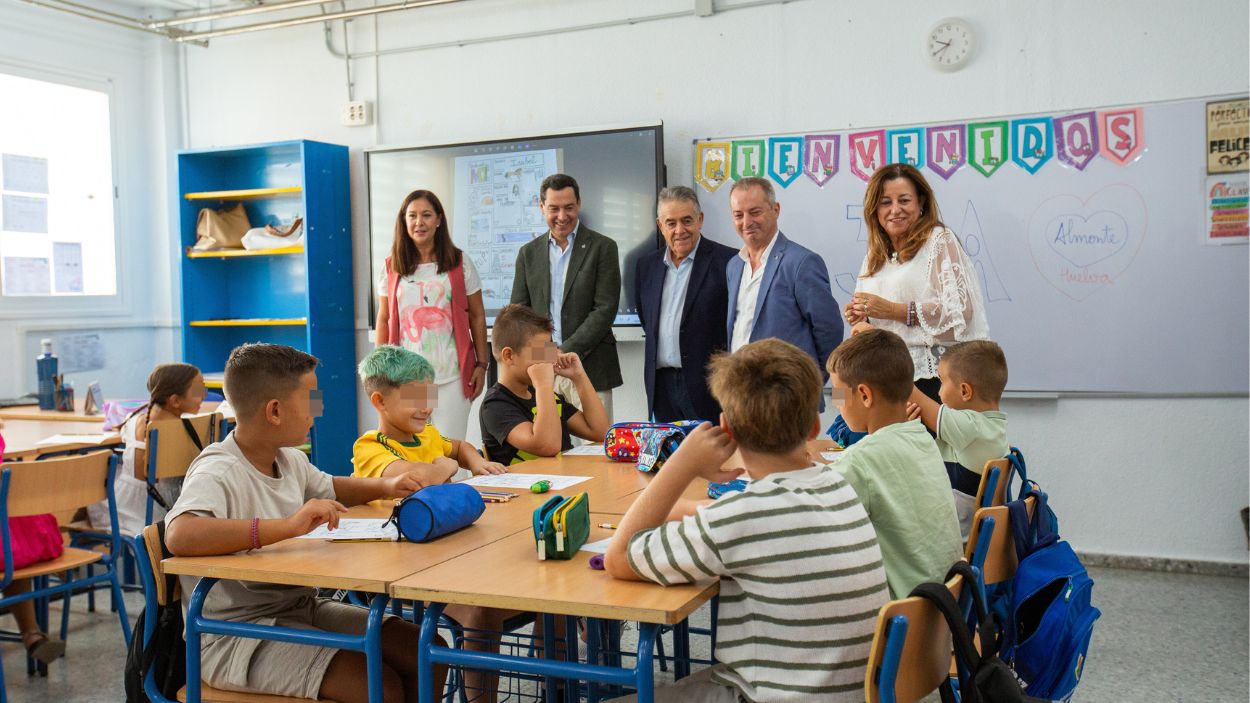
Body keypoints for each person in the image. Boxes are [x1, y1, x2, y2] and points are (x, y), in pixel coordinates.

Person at [604, 338, 889, 702]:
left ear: (727, 427)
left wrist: (681, 464)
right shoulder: (835, 484)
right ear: (814, 428)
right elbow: (752, 521)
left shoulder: (743, 517)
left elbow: (618, 557)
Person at [165, 343, 444, 702]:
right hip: (233, 635)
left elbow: (331, 486)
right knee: (381, 686)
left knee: (426, 650)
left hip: (298, 609)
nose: (320, 408)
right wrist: (287, 526)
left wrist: (387, 485)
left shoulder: (288, 459)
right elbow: (180, 534)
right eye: (311, 398)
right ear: (275, 411)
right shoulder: (219, 469)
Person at [826, 328, 963, 598]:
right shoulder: (922, 438)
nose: (836, 404)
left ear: (864, 395)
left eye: (839, 394)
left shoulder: (861, 461)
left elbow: (803, 516)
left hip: (901, 624)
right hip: (941, 614)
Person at [844, 163, 990, 401]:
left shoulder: (939, 241)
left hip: (935, 380)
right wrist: (862, 315)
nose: (895, 210)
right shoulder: (875, 254)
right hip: (886, 377)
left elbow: (961, 313)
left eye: (904, 200)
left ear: (921, 202)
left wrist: (892, 310)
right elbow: (873, 311)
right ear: (874, 209)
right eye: (885, 202)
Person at [376, 189, 490, 440]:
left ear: (439, 219)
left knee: (452, 450)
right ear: (403, 221)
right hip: (409, 378)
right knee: (416, 453)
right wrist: (379, 372)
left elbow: (477, 316)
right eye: (412, 216)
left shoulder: (459, 262)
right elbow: (384, 319)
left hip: (451, 376)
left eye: (426, 215)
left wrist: (482, 363)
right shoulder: (391, 267)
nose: (419, 222)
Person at [510, 174, 621, 418]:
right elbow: (519, 313)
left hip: (591, 368)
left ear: (579, 204)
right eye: (554, 208)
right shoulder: (528, 254)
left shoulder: (603, 248)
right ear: (542, 208)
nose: (562, 216)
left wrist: (565, 352)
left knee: (594, 451)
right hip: (541, 371)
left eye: (569, 207)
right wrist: (545, 356)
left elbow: (605, 309)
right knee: (549, 447)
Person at [725, 177, 842, 399]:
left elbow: (830, 331)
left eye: (755, 212)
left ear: (775, 209)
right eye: (738, 215)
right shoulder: (734, 266)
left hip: (788, 400)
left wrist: (807, 385)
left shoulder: (801, 263)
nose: (747, 222)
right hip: (740, 396)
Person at [634, 185, 737, 422]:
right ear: (660, 226)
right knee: (670, 457)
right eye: (671, 223)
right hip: (661, 388)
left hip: (709, 387)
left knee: (714, 457)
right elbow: (646, 319)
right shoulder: (645, 266)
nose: (680, 230)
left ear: (700, 220)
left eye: (687, 220)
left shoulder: (729, 261)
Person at [353, 344, 505, 488]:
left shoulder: (428, 433)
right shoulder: (369, 447)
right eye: (415, 398)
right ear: (380, 401)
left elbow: (460, 447)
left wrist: (478, 463)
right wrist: (448, 467)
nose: (427, 408)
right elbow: (419, 478)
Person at [479, 304, 610, 466]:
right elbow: (548, 445)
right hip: (530, 488)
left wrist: (579, 377)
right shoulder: (495, 405)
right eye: (540, 352)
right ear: (509, 356)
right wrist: (543, 385)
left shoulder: (545, 395)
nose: (549, 359)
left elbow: (601, 432)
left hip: (566, 482)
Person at [87, 362, 205, 536]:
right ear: (175, 401)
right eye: (197, 391)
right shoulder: (185, 430)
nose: (204, 396)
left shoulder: (135, 418)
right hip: (152, 510)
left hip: (126, 502)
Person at [907, 340, 1009, 538]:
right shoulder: (992, 427)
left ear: (964, 391)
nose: (938, 390)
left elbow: (909, 392)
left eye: (942, 381)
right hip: (963, 531)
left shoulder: (970, 427)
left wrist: (877, 342)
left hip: (953, 538)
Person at [0, 422, 67, 667]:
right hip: (19, 544)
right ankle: (31, 633)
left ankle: (31, 633)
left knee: (9, 554)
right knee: (11, 553)